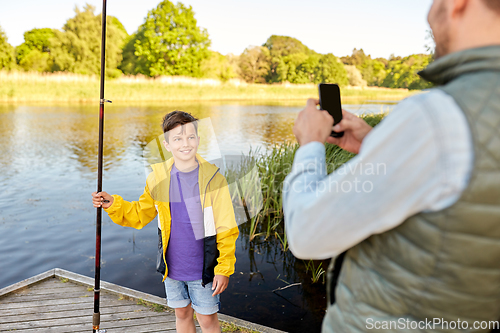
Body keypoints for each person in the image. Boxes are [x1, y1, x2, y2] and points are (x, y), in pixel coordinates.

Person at [283, 0, 500, 331]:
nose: (429, 14)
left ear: (458, 4)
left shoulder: (437, 116)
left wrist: (310, 144)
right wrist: (375, 145)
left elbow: (305, 234)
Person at [92, 111, 239, 333]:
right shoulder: (157, 178)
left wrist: (224, 268)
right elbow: (140, 213)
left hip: (205, 269)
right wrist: (113, 203)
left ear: (198, 140)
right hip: (173, 267)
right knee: (181, 314)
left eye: (190, 137)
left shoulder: (214, 179)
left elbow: (227, 228)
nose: (185, 143)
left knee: (207, 320)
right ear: (167, 144)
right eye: (177, 138)